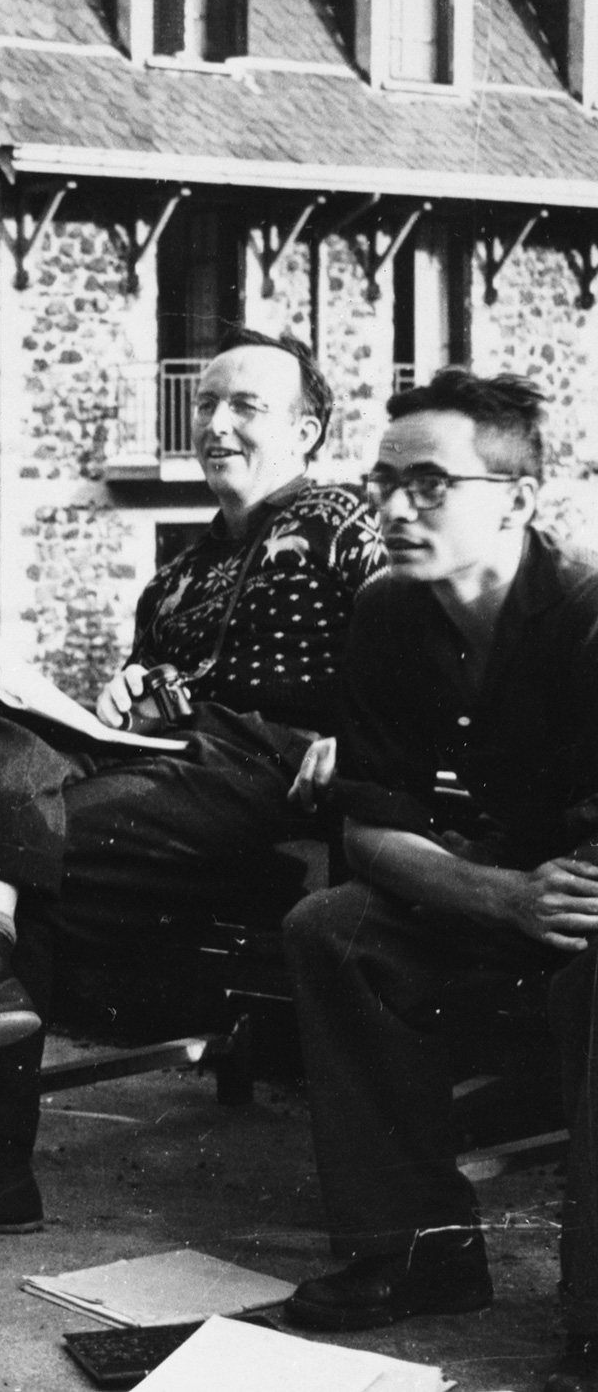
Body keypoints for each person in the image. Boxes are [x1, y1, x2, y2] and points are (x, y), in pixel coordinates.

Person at [0, 329, 384, 1232]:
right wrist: (129, 693)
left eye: (245, 406)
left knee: (21, 848)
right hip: (167, 770)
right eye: (206, 404)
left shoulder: (340, 525)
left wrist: (359, 735)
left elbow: (411, 638)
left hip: (268, 779)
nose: (214, 424)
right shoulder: (173, 579)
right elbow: (142, 695)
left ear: (308, 432)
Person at [279, 371, 598, 1391]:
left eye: (426, 482)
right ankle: (417, 1250)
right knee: (333, 927)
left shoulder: (587, 612)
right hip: (511, 883)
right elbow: (370, 827)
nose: (391, 507)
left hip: (585, 891)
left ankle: (589, 1307)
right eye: (381, 481)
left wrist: (520, 893)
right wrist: (498, 894)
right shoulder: (385, 610)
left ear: (515, 498)